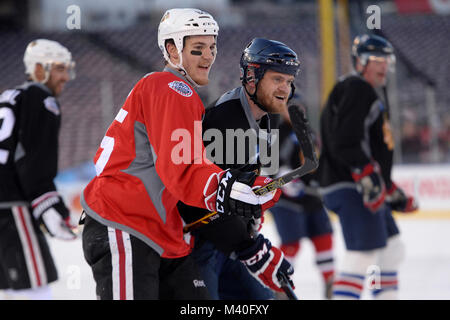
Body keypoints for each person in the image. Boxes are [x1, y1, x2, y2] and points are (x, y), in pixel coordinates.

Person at [80, 9, 281, 300]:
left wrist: (242, 187)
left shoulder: (176, 92)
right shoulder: (172, 88)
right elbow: (183, 169)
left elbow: (189, 166)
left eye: (212, 48)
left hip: (162, 233)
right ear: (172, 50)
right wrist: (231, 188)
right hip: (125, 223)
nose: (208, 57)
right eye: (197, 49)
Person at [180, 38, 301, 300]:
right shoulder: (226, 118)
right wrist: (252, 249)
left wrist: (252, 219)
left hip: (230, 241)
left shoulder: (268, 119)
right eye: (277, 79)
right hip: (198, 242)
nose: (285, 89)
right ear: (251, 77)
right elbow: (198, 202)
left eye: (289, 82)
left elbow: (253, 183)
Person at [318, 34, 418, 300]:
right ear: (360, 62)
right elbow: (345, 141)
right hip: (352, 185)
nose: (383, 65)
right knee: (362, 255)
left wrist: (385, 184)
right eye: (375, 59)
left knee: (391, 249)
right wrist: (366, 175)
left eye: (386, 59)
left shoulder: (357, 90)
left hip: (359, 183)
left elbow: (357, 142)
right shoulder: (358, 88)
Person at [0, 39, 77, 300]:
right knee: (34, 285)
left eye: (67, 69)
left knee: (11, 285)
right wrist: (50, 205)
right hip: (12, 204)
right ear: (38, 69)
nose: (65, 77)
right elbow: (33, 161)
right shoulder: (42, 98)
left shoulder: (10, 96)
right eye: (59, 69)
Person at [270, 102, 335, 299]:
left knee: (323, 238)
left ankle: (330, 284)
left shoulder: (310, 133)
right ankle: (278, 285)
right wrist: (283, 178)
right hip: (286, 200)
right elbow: (269, 164)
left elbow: (321, 161)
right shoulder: (277, 133)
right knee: (292, 243)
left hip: (311, 198)